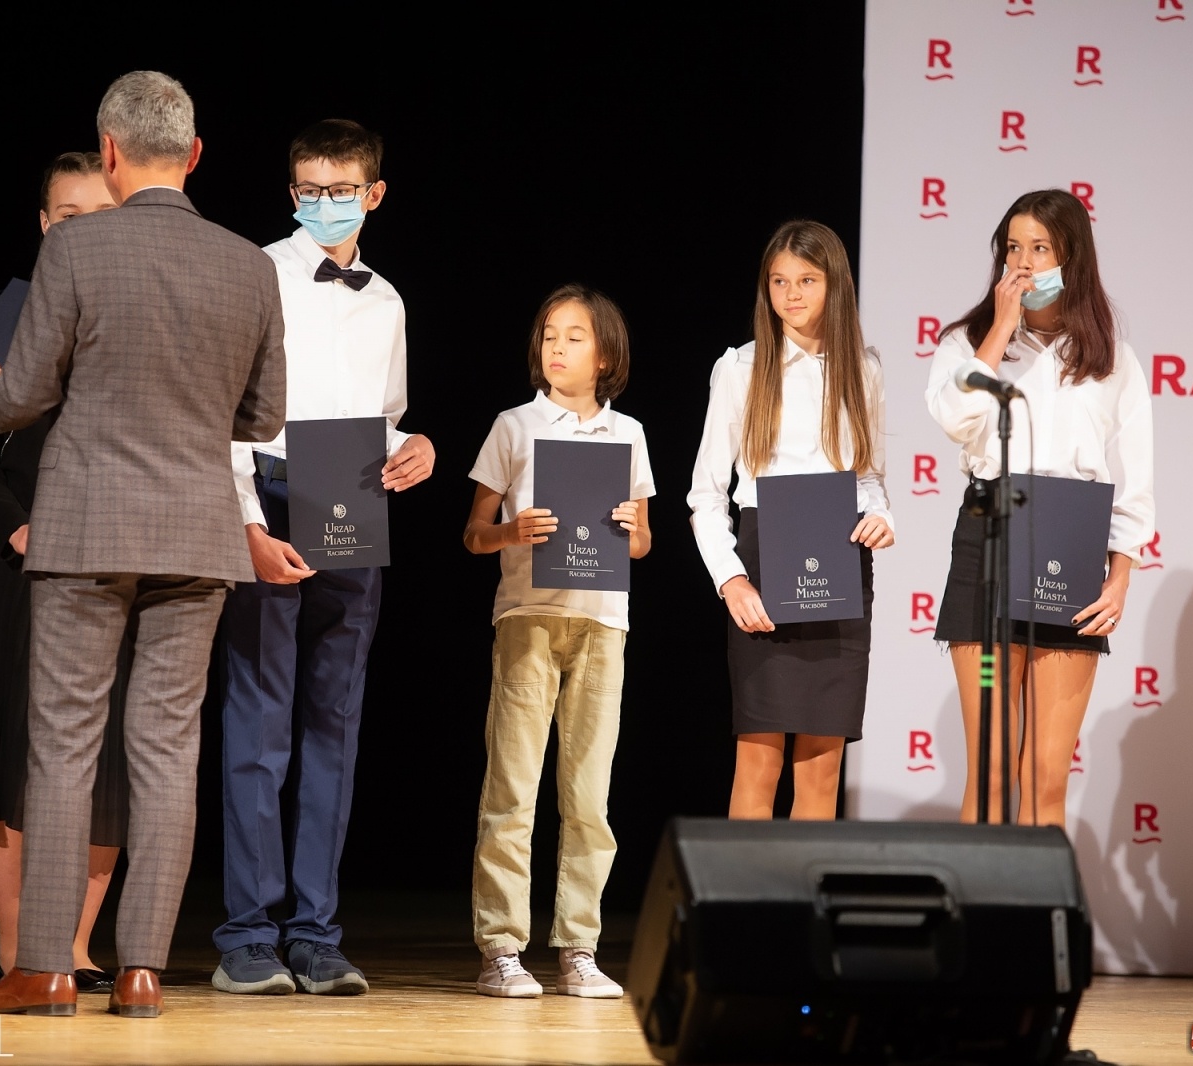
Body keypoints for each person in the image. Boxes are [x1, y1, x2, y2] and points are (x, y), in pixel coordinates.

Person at [0, 70, 287, 1019]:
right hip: (196, 529)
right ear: (193, 156)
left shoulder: (76, 247)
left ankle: (47, 967)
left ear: (107, 154)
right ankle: (140, 967)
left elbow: (20, 396)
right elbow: (262, 413)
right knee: (167, 748)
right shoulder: (248, 263)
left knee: (63, 745)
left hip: (88, 521)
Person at [211, 118, 433, 998]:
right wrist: (245, 525)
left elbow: (386, 415)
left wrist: (413, 447)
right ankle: (247, 934)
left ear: (374, 195)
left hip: (351, 497)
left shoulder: (387, 301)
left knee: (334, 723)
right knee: (258, 721)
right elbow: (225, 407)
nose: (325, 202)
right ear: (290, 190)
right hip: (268, 489)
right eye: (310, 187)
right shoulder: (257, 272)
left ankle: (316, 932)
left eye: (342, 189)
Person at [0, 152, 124, 994]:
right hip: (17, 567)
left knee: (109, 761)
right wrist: (15, 530)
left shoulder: (136, 313)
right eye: (67, 215)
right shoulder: (5, 315)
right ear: (45, 225)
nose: (81, 228)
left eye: (99, 213)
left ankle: (80, 947)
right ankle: (21, 951)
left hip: (111, 562)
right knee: (10, 752)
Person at [924, 188, 1153, 827]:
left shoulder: (1111, 359)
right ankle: (975, 926)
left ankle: (1037, 927)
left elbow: (1135, 476)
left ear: (1070, 256)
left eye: (1040, 248)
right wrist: (998, 331)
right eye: (1013, 248)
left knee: (1046, 778)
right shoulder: (967, 343)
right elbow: (955, 418)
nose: (1023, 263)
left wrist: (1121, 571)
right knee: (993, 775)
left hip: (1071, 546)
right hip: (991, 537)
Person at [462, 284, 654, 998]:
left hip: (603, 625)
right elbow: (473, 533)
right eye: (549, 335)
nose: (558, 348)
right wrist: (514, 531)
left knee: (589, 794)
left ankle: (579, 945)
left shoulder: (627, 433)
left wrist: (631, 527)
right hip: (528, 618)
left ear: (605, 355)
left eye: (574, 337)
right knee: (512, 786)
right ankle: (502, 947)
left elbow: (641, 543)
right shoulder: (514, 425)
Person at [687, 220, 893, 821]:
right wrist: (730, 579)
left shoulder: (865, 368)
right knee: (757, 763)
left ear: (835, 285)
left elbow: (868, 475)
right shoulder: (741, 368)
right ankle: (743, 915)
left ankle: (805, 913)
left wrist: (880, 514)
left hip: (840, 562)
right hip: (762, 559)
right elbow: (705, 492)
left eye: (806, 279)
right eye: (779, 281)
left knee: (821, 769)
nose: (792, 294)